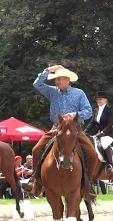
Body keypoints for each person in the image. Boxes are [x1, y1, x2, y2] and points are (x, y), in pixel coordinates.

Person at [27, 65, 94, 196]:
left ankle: (88, 184)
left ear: (67, 80)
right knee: (36, 149)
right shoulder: (52, 91)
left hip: (75, 130)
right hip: (56, 129)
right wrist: (48, 70)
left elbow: (88, 111)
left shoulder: (79, 93)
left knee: (93, 154)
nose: (56, 81)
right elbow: (37, 84)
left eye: (59, 79)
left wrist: (74, 115)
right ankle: (36, 180)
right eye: (55, 79)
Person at [84, 91, 113, 174]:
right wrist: (84, 133)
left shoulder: (109, 110)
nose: (99, 101)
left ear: (105, 100)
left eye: (100, 99)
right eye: (97, 99)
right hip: (97, 134)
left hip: (107, 134)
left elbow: (110, 124)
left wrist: (103, 133)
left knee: (104, 145)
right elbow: (92, 123)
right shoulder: (96, 110)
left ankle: (110, 165)